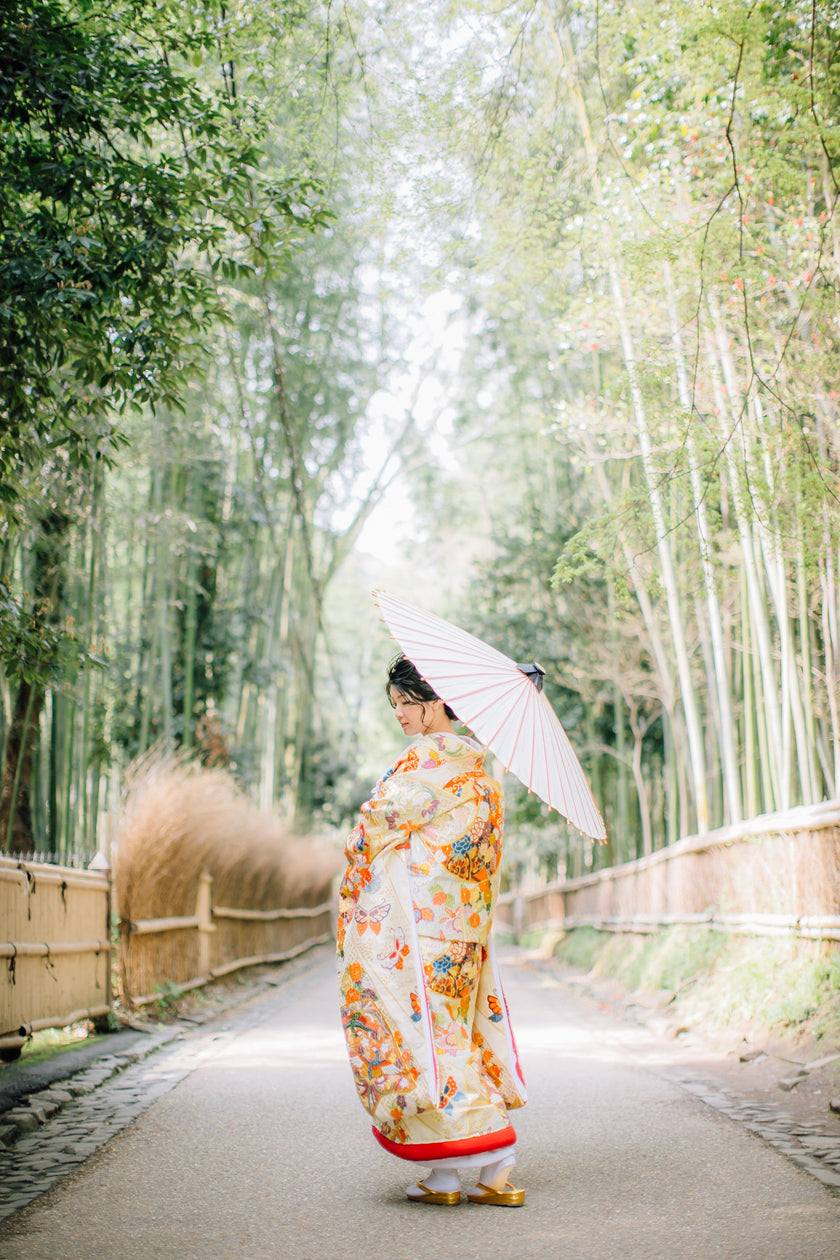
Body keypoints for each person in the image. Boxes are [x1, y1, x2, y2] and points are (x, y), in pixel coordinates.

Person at [337, 653, 527, 1206]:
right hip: (465, 929)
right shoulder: (481, 774)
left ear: (437, 702)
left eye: (406, 702)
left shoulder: (426, 764)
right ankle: (445, 1177)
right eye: (395, 703)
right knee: (449, 1036)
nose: (400, 714)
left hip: (420, 930)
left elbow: (375, 825)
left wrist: (357, 863)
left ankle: (497, 1161)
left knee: (430, 1041)